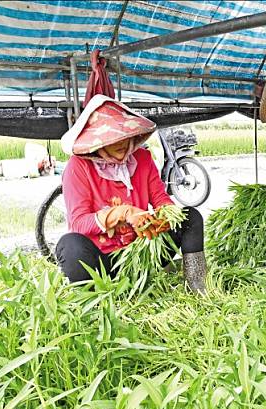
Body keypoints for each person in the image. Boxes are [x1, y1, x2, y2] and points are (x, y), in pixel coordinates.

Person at [55, 95, 206, 293]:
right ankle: (95, 301)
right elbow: (79, 223)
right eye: (114, 138)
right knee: (70, 245)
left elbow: (161, 199)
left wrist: (164, 217)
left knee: (189, 218)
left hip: (142, 254)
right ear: (96, 143)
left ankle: (197, 285)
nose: (123, 143)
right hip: (103, 262)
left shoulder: (142, 158)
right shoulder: (78, 167)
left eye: (125, 135)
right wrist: (123, 213)